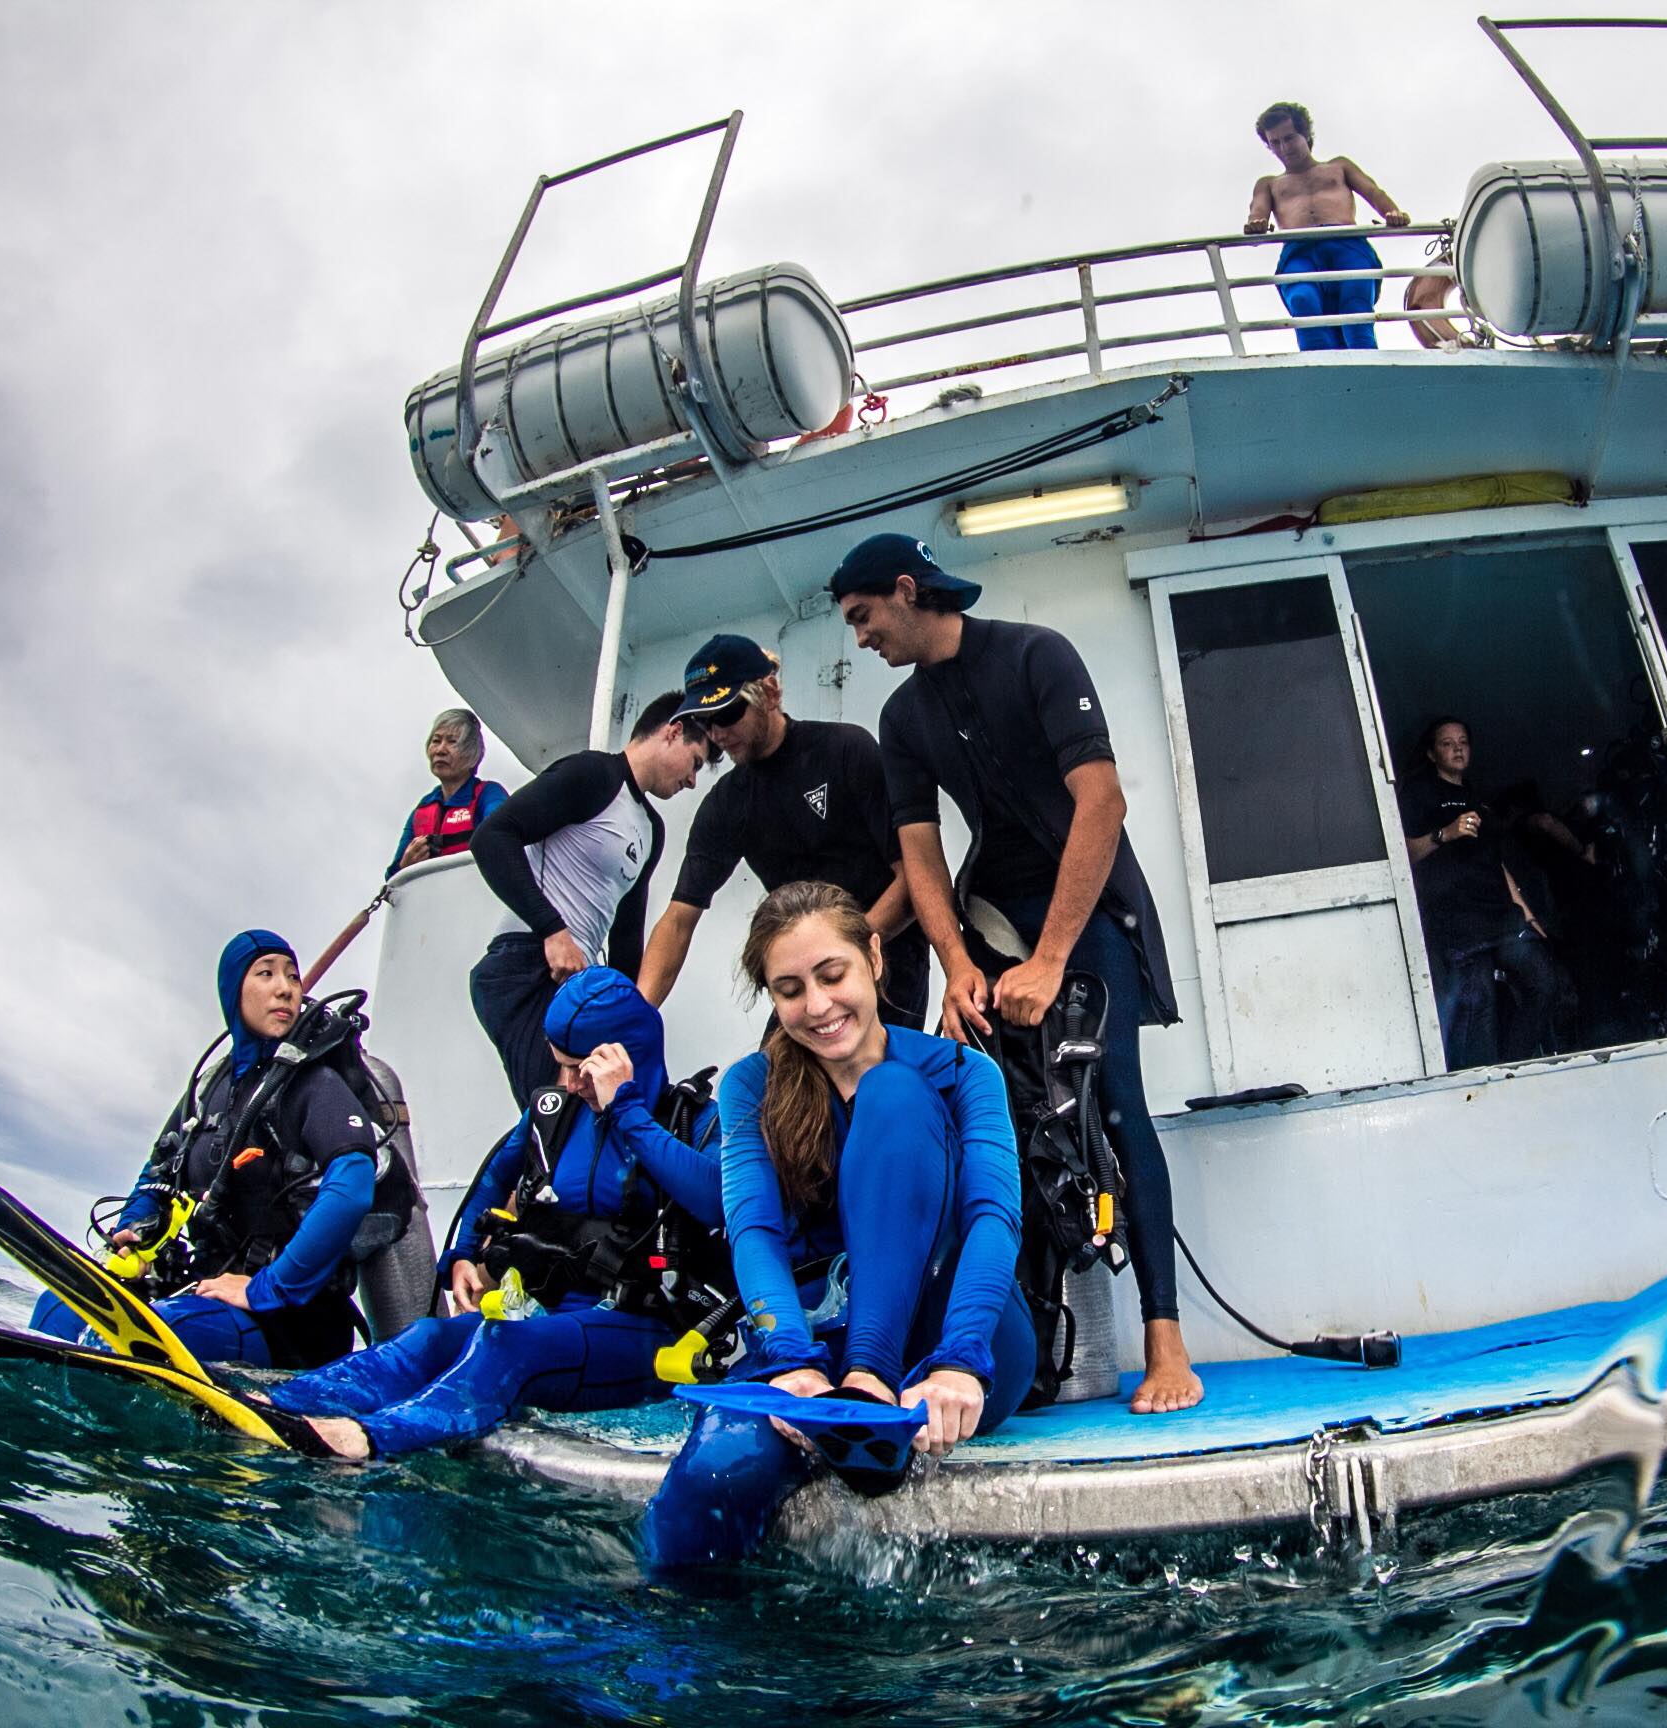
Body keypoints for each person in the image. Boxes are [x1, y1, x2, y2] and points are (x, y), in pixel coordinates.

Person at [832, 531, 1204, 1414]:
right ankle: (1033, 1342)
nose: (859, 639)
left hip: (1088, 906)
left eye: (862, 618)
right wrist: (958, 964)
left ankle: (1165, 1343)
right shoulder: (902, 719)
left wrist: (1049, 960)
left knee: (1114, 1104)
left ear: (905, 589)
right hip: (992, 916)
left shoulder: (1037, 654)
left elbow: (1102, 802)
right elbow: (920, 855)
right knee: (1008, 1119)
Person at [641, 883, 1031, 1565]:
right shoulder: (751, 1084)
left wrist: (962, 1361)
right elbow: (753, 1229)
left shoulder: (963, 1071)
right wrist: (790, 1358)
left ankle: (872, 1376)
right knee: (713, 1472)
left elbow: (994, 1217)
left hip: (961, 1331)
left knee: (892, 1091)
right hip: (818, 1347)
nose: (817, 1006)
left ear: (874, 959)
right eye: (790, 989)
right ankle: (689, 1658)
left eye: (832, 974)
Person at [263, 967, 723, 1459]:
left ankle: (372, 1440)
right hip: (547, 1314)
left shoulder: (693, 1121)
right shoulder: (556, 1113)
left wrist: (626, 1109)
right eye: (560, 1067)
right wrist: (460, 1255)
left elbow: (713, 1197)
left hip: (645, 1331)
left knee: (506, 1348)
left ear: (622, 1057)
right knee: (430, 1337)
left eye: (580, 1069)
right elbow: (493, 1179)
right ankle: (279, 1404)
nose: (568, 1084)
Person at [32, 931, 377, 1369]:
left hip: (292, 1317)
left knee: (159, 1335)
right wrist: (136, 1234)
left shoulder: (315, 1084)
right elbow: (157, 1170)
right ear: (234, 989)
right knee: (56, 1310)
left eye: (292, 975)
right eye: (266, 973)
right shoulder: (209, 1089)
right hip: (206, 1290)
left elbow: (353, 1189)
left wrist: (266, 1288)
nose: (285, 987)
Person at [638, 633, 930, 1029]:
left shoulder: (845, 750)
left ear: (770, 693)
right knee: (776, 1088)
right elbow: (678, 920)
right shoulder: (726, 804)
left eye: (726, 713)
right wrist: (635, 1015)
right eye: (704, 723)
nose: (717, 734)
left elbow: (915, 877)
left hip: (886, 958)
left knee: (877, 1088)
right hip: (808, 975)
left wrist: (850, 950)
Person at [466, 694, 708, 1106]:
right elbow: (491, 837)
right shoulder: (593, 774)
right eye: (696, 762)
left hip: (575, 983)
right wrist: (552, 930)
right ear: (674, 731)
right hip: (526, 965)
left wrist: (627, 1011)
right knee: (557, 1110)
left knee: (604, 1105)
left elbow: (626, 935)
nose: (692, 781)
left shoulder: (651, 829)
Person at [1399, 717, 1587, 1069]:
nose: (1457, 748)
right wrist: (1445, 834)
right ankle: (1484, 1084)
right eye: (1447, 743)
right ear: (1431, 753)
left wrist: (1528, 914)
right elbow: (1403, 854)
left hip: (1500, 915)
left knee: (1545, 984)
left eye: (1463, 741)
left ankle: (1511, 1067)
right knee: (1478, 1006)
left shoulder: (1476, 797)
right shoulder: (1420, 795)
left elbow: (1497, 865)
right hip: (1458, 921)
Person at [1243, 100, 1410, 351]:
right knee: (1302, 300)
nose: (1283, 147)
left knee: (1355, 305)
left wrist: (1392, 212)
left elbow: (1373, 191)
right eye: (1275, 142)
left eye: (1289, 138)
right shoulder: (1269, 183)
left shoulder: (1338, 167)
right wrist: (1255, 226)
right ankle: (1320, 369)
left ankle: (1367, 368)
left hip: (1347, 244)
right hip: (1300, 250)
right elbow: (1258, 212)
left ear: (1305, 135)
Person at [387, 708, 509, 879]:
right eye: (436, 741)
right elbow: (393, 877)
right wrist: (405, 865)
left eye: (452, 742)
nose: (440, 750)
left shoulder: (488, 794)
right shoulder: (422, 809)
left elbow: (502, 836)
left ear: (473, 754)